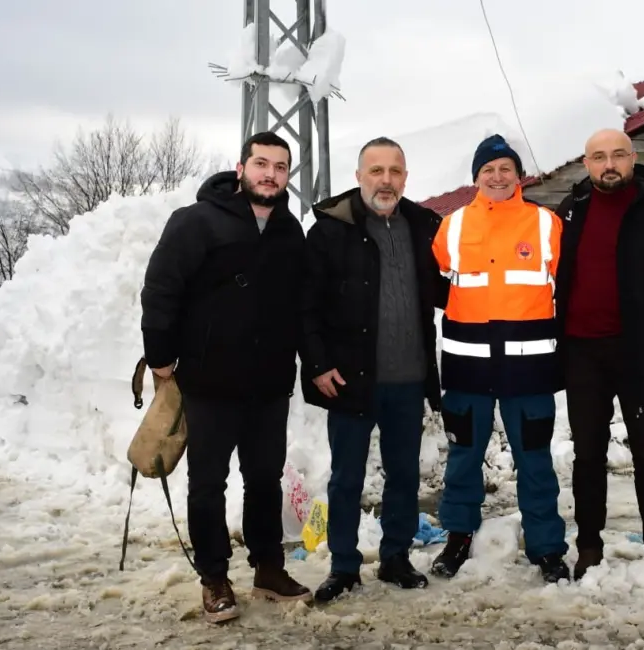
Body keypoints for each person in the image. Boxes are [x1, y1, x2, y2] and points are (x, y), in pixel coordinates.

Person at [140, 131, 310, 623]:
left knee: (264, 479)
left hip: (269, 384)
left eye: (280, 167)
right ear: (241, 169)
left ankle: (268, 568)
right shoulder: (197, 222)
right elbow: (161, 289)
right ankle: (214, 577)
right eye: (261, 164)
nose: (270, 174)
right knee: (207, 484)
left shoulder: (288, 231)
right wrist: (160, 357)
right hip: (210, 382)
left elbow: (300, 304)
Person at [299, 136, 448, 602]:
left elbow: (449, 290)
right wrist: (319, 364)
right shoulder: (329, 230)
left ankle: (395, 557)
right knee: (347, 478)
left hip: (408, 377)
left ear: (406, 177)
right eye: (376, 170)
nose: (386, 180)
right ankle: (343, 565)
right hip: (350, 379)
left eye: (395, 171)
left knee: (403, 474)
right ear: (359, 176)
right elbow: (305, 308)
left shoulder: (424, 226)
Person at [429, 134, 570, 583]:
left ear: (518, 174)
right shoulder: (451, 226)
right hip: (468, 367)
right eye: (487, 170)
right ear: (476, 177)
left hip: (528, 369)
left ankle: (546, 546)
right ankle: (458, 537)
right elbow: (432, 288)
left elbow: (567, 290)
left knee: (535, 460)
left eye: (504, 168)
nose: (496, 176)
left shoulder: (546, 224)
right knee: (463, 458)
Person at [552, 128, 644, 579]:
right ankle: (589, 545)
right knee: (588, 454)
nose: (608, 164)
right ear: (586, 163)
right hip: (583, 353)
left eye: (617, 155)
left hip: (642, 353)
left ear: (633, 159)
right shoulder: (571, 211)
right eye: (598, 157)